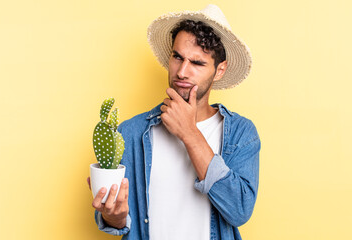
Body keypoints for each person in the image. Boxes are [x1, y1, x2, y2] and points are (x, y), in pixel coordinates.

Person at [87, 4, 261, 240]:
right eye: (177, 57)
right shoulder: (130, 132)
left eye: (197, 63)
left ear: (220, 70)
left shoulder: (241, 133)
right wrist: (113, 217)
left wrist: (189, 132)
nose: (182, 72)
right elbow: (119, 219)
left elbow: (239, 210)